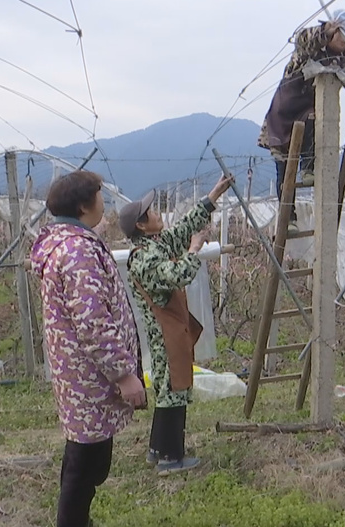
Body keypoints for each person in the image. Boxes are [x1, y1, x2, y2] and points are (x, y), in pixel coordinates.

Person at [30, 171, 146, 527]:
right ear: (83, 205)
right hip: (90, 376)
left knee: (83, 455)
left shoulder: (63, 244)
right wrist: (124, 375)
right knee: (86, 463)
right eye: (99, 196)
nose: (104, 203)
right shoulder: (78, 250)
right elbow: (93, 322)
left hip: (77, 372)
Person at [120, 174, 233, 476]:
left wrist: (212, 197)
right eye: (153, 213)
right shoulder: (144, 258)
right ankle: (171, 458)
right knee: (174, 390)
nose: (158, 214)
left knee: (171, 391)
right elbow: (176, 275)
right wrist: (194, 249)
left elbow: (183, 228)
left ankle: (158, 449)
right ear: (142, 226)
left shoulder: (155, 244)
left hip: (169, 331)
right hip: (164, 336)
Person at [257, 10, 345, 231]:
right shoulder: (312, 45)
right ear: (334, 31)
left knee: (312, 119)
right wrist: (324, 30)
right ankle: (288, 218)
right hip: (285, 112)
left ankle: (309, 166)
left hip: (311, 112)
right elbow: (302, 38)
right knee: (283, 169)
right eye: (343, 35)